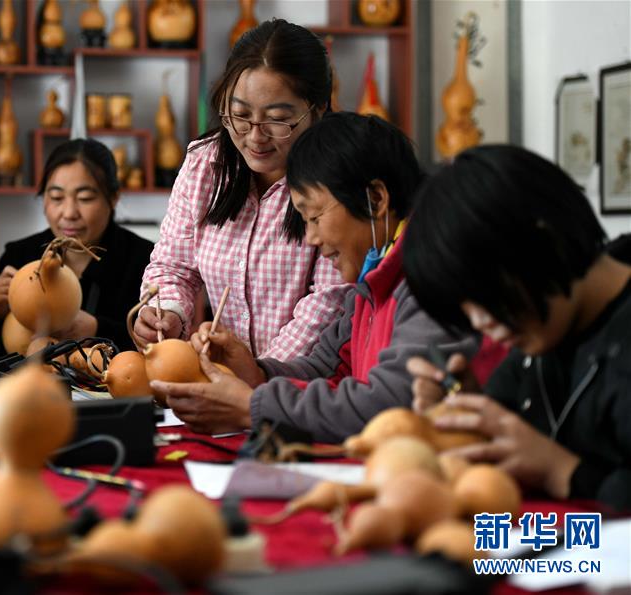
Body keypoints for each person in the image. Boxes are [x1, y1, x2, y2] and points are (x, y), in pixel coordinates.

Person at [150, 113, 485, 440]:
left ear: (376, 198)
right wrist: (256, 372)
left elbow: (390, 404)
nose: (310, 238)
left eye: (314, 216)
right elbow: (324, 369)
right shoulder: (371, 284)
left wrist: (254, 406)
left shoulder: (431, 279)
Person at [402, 146, 631, 510]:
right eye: (465, 308)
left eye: (484, 296)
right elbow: (509, 432)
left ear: (544, 242)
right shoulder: (541, 333)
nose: (480, 322)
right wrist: (466, 412)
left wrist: (562, 470)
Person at [134, 19, 349, 360]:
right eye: (240, 115)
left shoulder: (339, 180)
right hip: (224, 382)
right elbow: (174, 266)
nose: (255, 136)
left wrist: (258, 377)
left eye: (277, 119)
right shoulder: (205, 166)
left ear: (318, 109)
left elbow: (329, 301)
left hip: (305, 390)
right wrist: (168, 311)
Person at [0, 138, 153, 352]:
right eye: (56, 197)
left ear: (113, 198)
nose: (68, 213)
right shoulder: (19, 256)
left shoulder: (145, 260)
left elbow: (159, 348)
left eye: (84, 198)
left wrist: (98, 329)